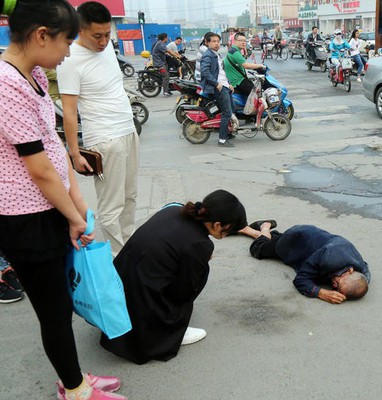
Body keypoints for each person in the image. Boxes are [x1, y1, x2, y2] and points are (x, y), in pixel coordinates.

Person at [0, 0, 127, 398]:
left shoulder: (33, 73)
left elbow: (53, 146)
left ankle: (73, 377)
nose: (69, 51)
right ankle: (75, 389)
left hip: (50, 205)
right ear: (41, 35)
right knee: (53, 309)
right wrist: (73, 215)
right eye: (66, 40)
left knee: (60, 300)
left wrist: (76, 199)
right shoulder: (6, 84)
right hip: (27, 218)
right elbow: (37, 168)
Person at [100, 190, 247, 365]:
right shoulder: (200, 244)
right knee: (199, 273)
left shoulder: (174, 209)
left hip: (116, 289)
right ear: (217, 225)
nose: (226, 236)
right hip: (141, 307)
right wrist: (201, 263)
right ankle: (171, 329)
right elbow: (183, 292)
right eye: (227, 231)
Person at [57, 1, 139, 257]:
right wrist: (74, 152)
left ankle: (130, 251)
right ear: (81, 30)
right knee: (111, 207)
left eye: (107, 34)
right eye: (97, 36)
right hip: (104, 139)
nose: (104, 41)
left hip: (128, 131)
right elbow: (69, 112)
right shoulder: (69, 60)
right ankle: (119, 261)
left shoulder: (106, 49)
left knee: (130, 198)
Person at [240, 222, 371, 304]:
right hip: (295, 239)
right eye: (338, 284)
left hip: (314, 238)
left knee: (275, 239)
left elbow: (361, 281)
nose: (334, 285)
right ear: (349, 271)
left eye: (337, 289)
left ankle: (261, 231)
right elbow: (301, 279)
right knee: (259, 249)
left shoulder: (362, 272)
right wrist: (321, 293)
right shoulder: (327, 258)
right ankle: (264, 227)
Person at [200, 33, 236, 148]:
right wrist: (216, 84)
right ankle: (222, 139)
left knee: (232, 109)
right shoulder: (208, 55)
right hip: (218, 87)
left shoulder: (216, 54)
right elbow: (205, 71)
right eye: (214, 41)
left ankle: (227, 132)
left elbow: (222, 72)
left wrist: (229, 84)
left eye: (218, 41)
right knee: (227, 112)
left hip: (224, 86)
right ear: (207, 42)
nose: (216, 43)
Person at [223, 32, 265, 98]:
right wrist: (260, 65)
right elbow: (246, 65)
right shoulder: (234, 52)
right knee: (255, 95)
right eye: (240, 41)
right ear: (235, 41)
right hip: (237, 81)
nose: (243, 42)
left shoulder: (234, 50)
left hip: (237, 78)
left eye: (244, 41)